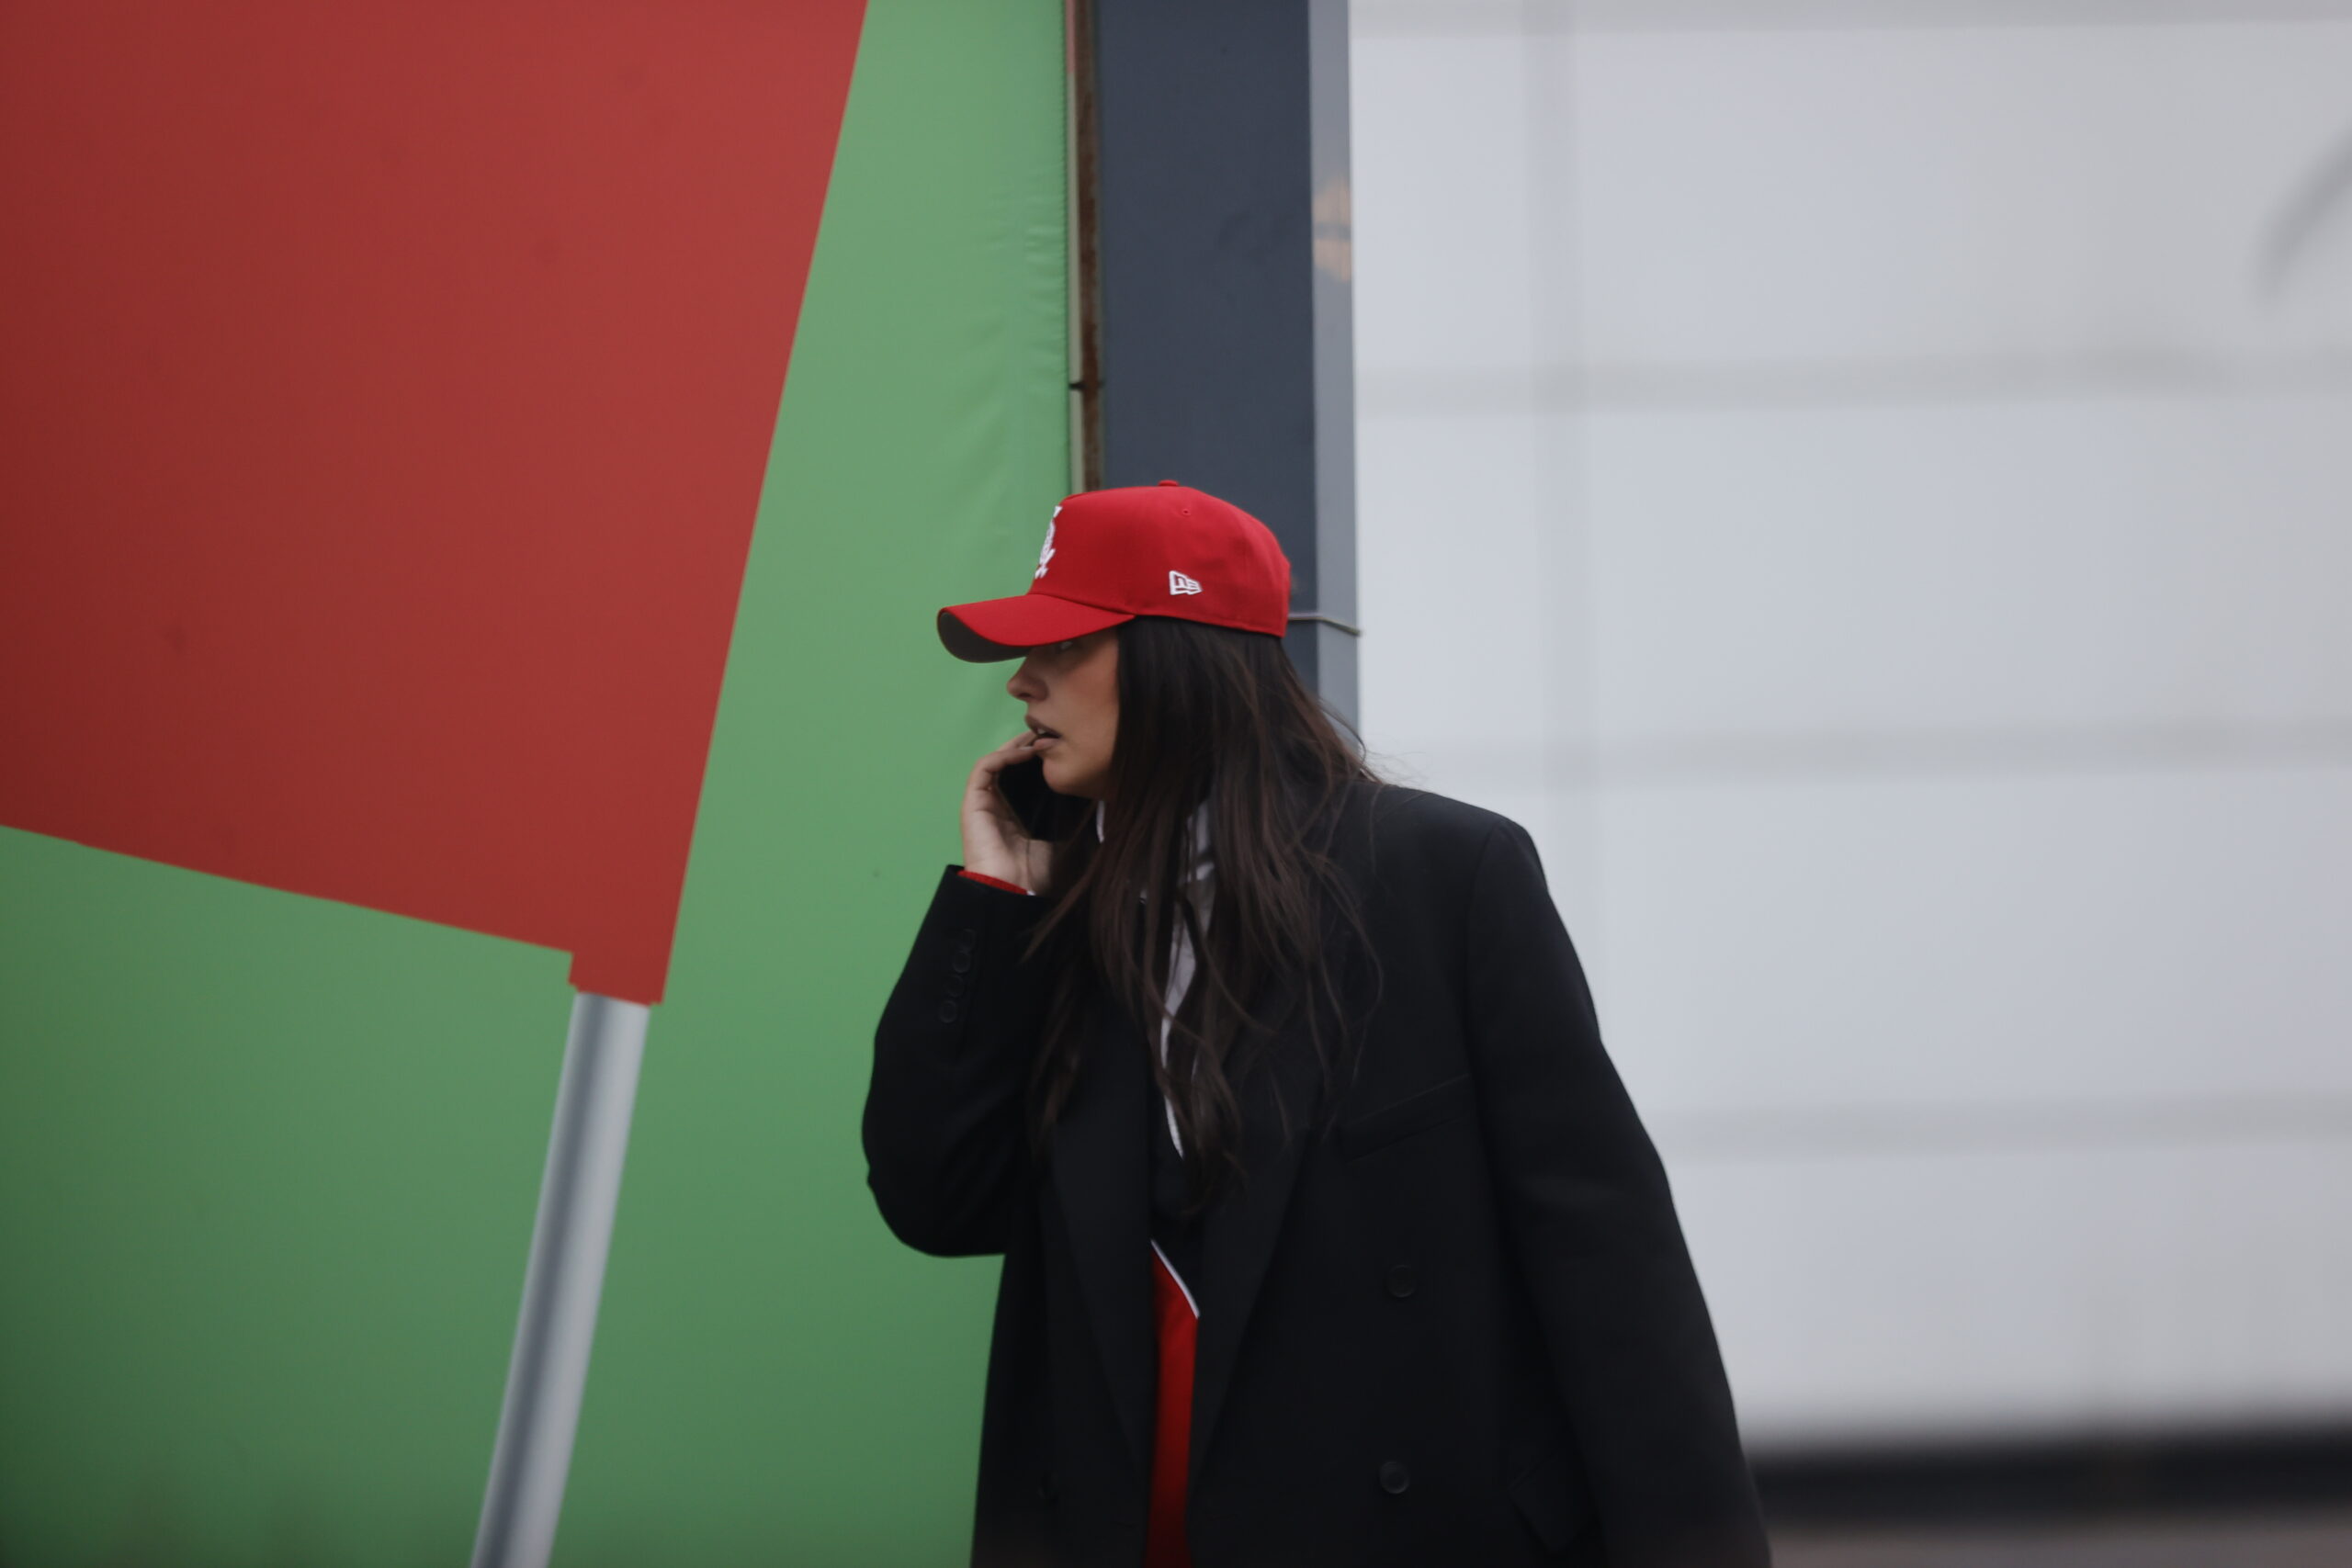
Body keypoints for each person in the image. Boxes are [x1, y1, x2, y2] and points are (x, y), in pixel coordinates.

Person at [864, 481, 1770, 1568]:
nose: (1021, 680)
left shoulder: (1441, 876)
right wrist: (990, 899)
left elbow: (1607, 1262)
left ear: (1179, 657)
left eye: (1065, 644)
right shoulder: (1060, 912)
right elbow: (937, 1199)